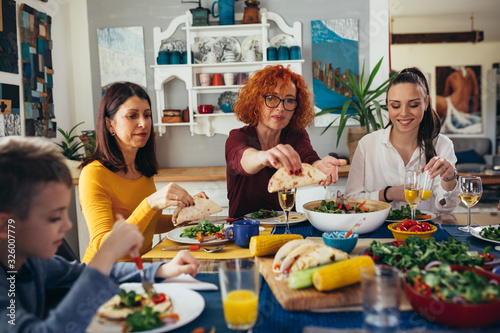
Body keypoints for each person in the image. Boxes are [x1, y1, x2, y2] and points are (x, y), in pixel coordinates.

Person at [0, 136, 199, 332]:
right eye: (54, 217)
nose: (67, 224)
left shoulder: (32, 262)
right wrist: (106, 253)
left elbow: (85, 272)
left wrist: (160, 271)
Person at [79, 82, 207, 263]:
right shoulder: (94, 174)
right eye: (132, 116)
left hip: (143, 273)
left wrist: (185, 213)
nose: (143, 123)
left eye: (147, 115)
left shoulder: (141, 169)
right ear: (110, 124)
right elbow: (103, 245)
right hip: (106, 278)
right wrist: (150, 203)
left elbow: (149, 225)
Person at [226, 65, 344, 218]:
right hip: (245, 229)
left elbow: (308, 157)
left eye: (289, 100)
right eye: (271, 98)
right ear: (256, 101)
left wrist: (318, 166)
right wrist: (263, 157)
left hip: (286, 224)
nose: (280, 107)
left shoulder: (296, 135)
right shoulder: (237, 137)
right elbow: (242, 159)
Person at [346, 67, 460, 214]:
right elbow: (350, 201)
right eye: (396, 106)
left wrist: (449, 178)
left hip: (425, 232)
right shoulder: (367, 145)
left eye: (413, 105)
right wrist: (389, 193)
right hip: (379, 233)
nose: (404, 113)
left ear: (426, 103)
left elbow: (446, 208)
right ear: (387, 105)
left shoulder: (443, 145)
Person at [435, 66, 481, 134]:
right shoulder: (470, 72)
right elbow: (475, 93)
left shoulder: (451, 77)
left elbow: (445, 95)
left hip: (451, 106)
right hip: (451, 107)